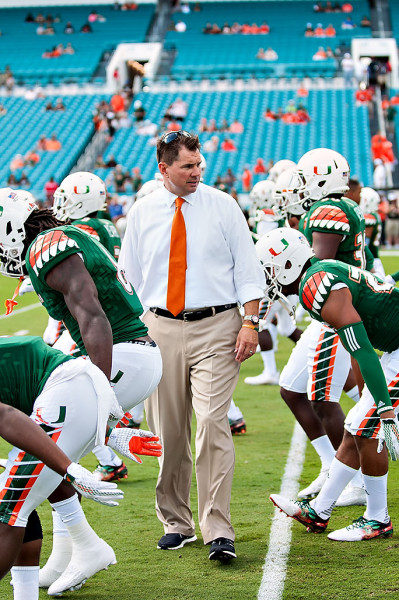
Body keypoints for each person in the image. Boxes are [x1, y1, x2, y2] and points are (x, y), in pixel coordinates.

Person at [0, 186, 163, 594]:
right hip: (126, 356)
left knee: (14, 495)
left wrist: (101, 394)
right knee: (40, 456)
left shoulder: (45, 247)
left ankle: (83, 548)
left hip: (118, 356)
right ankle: (80, 546)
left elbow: (93, 316)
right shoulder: (59, 238)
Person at [118, 129, 265, 561]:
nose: (197, 172)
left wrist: (251, 322)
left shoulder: (223, 206)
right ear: (164, 169)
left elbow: (249, 268)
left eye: (199, 164)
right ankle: (176, 523)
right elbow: (129, 278)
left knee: (212, 423)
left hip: (219, 327)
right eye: (187, 166)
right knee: (169, 431)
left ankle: (218, 528)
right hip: (158, 329)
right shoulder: (141, 213)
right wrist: (134, 332)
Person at [259, 227, 399, 542]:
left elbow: (362, 350)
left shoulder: (318, 285)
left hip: (396, 351)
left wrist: (385, 408)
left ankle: (377, 519)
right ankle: (319, 511)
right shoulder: (321, 273)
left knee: (364, 426)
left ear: (288, 264)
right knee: (355, 427)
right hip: (393, 349)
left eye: (271, 269)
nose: (269, 278)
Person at [276, 149, 367, 503]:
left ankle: (355, 479)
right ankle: (332, 466)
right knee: (291, 390)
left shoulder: (328, 210)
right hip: (327, 312)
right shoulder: (342, 206)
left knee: (323, 400)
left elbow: (320, 264)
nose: (300, 186)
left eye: (304, 178)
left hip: (333, 314)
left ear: (321, 178)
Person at [0, 335, 127, 588]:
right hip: (64, 389)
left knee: (9, 506)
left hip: (65, 389)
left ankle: (88, 546)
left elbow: (6, 417)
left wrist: (69, 467)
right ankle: (85, 545)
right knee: (18, 496)